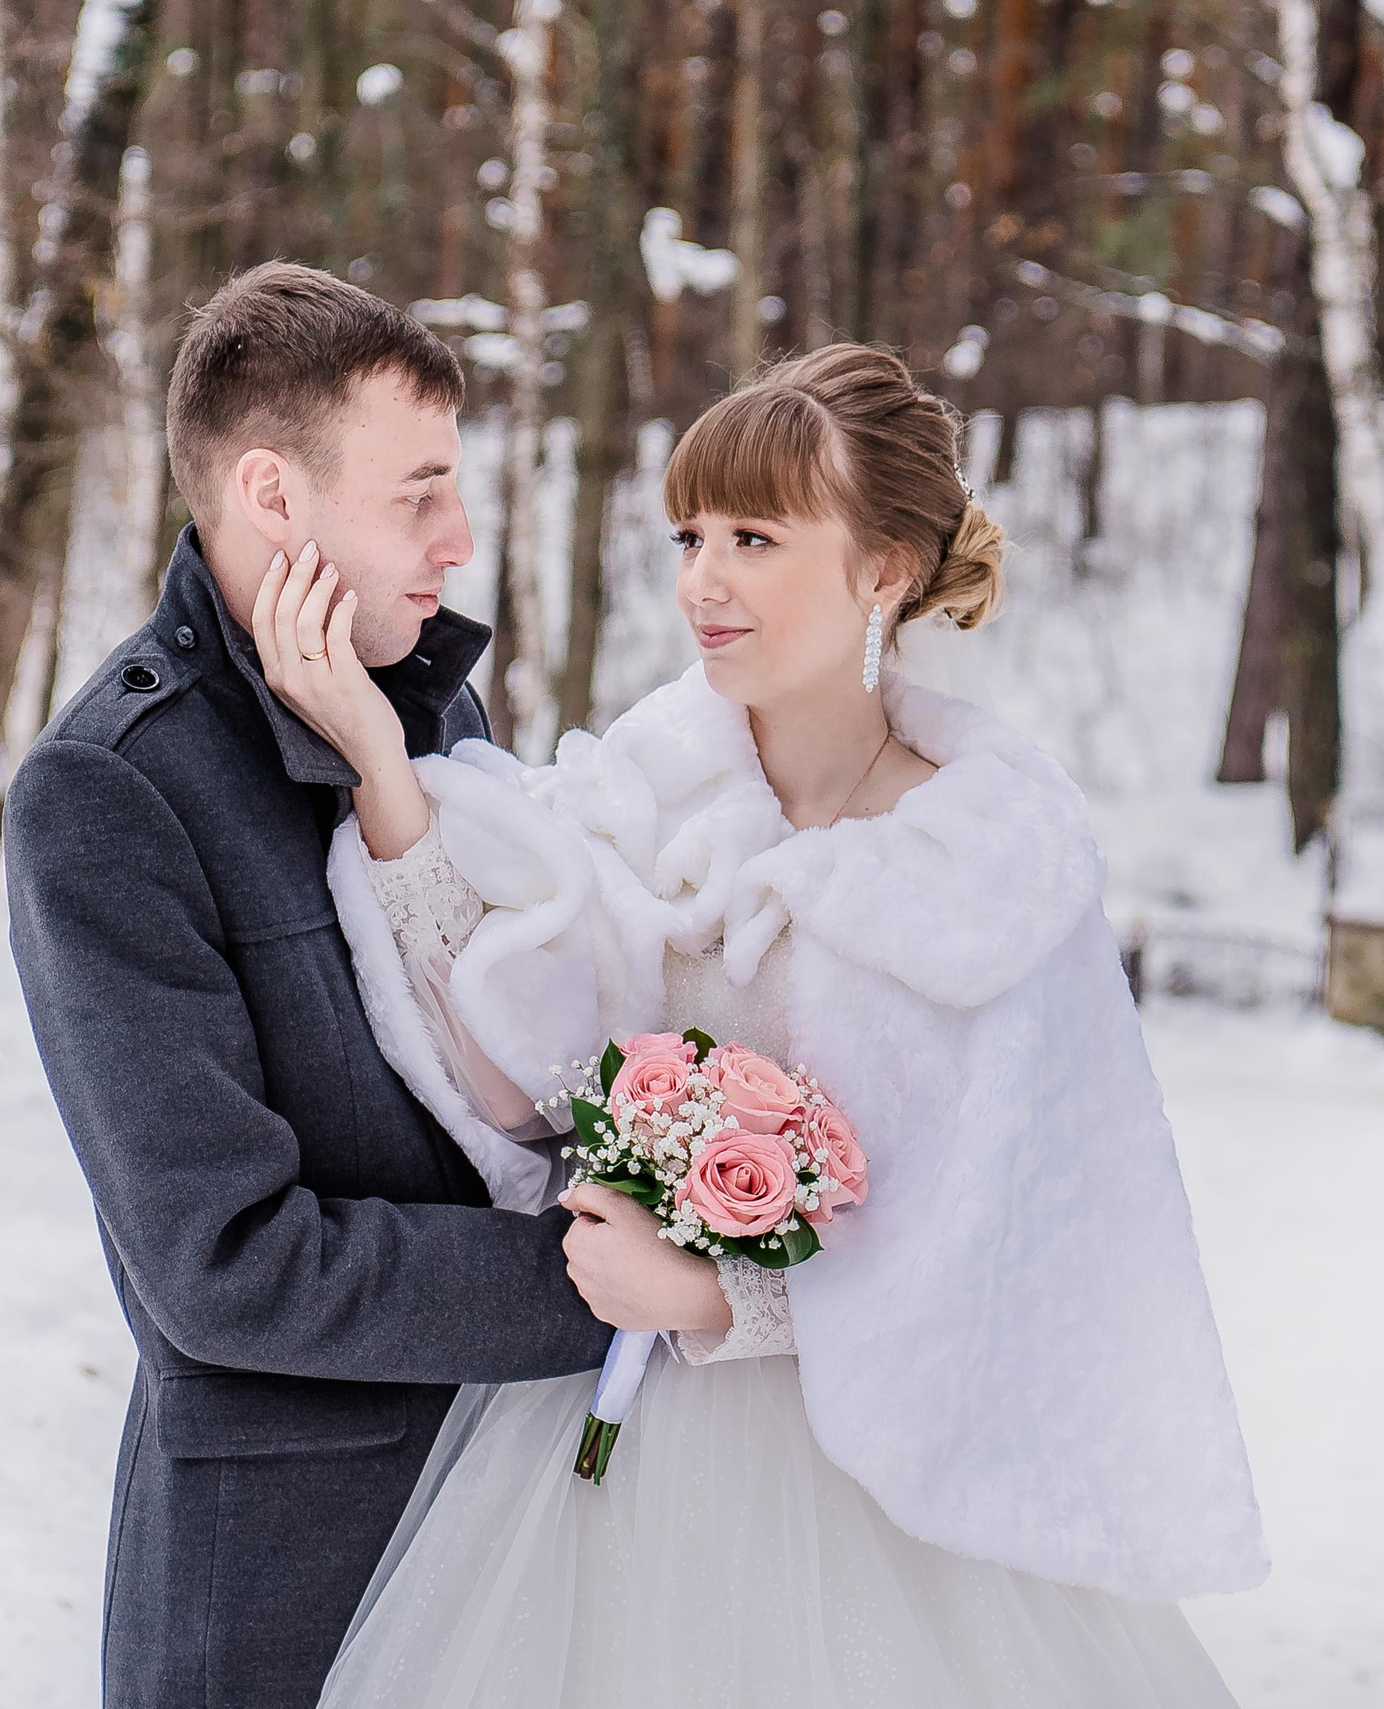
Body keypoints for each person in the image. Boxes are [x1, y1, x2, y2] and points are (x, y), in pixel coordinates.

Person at [256, 344, 1270, 1707]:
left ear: (885, 568)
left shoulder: (990, 867)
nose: (703, 582)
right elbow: (518, 1069)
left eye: (755, 537)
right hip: (614, 1452)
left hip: (884, 1495)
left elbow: (1012, 1237)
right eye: (690, 535)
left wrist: (723, 1294)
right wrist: (382, 766)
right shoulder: (650, 793)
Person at [4, 262, 684, 1709]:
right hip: (295, 1576)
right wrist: (593, 1285)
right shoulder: (114, 791)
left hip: (524, 1517)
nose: (461, 537)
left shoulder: (430, 713)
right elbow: (224, 1264)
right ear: (272, 495)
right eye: (417, 493)